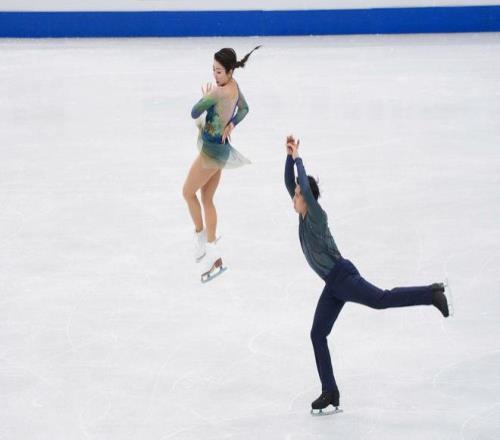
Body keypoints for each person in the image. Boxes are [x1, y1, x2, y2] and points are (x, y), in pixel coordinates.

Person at [283, 135, 450, 415]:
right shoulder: (302, 214)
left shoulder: (316, 216)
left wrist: (298, 157)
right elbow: (290, 182)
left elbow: (304, 189)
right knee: (317, 334)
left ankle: (432, 294)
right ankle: (330, 391)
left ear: (307, 198)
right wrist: (289, 157)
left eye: (298, 195)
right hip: (332, 285)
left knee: (381, 299)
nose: (294, 197)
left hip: (343, 276)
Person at [183, 46, 260, 282]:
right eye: (213, 70)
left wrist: (207, 96)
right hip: (222, 151)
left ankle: (201, 238)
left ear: (229, 71)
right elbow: (244, 108)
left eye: (218, 71)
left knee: (187, 193)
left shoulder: (218, 92)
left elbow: (194, 111)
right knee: (206, 199)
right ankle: (213, 253)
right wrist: (232, 124)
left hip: (210, 152)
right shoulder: (234, 86)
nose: (215, 75)